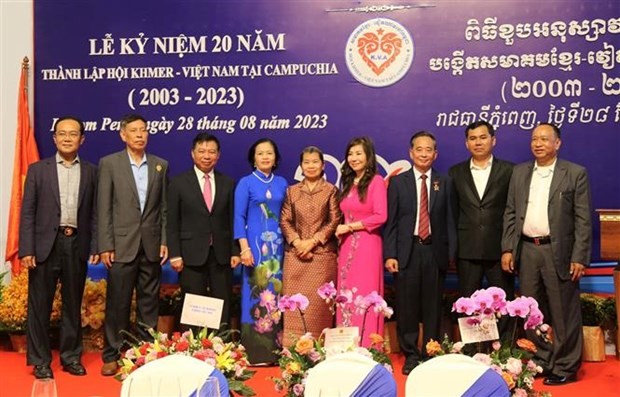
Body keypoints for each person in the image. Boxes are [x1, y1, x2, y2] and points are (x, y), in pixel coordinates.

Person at [501, 122, 592, 385]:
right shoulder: (519, 173)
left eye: (544, 139)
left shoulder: (574, 173)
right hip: (527, 250)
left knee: (564, 313)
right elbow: (510, 212)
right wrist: (508, 248)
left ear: (557, 143)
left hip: (559, 252)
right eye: (534, 139)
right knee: (531, 311)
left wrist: (579, 256)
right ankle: (541, 360)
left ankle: (565, 366)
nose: (538, 143)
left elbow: (583, 219)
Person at [19, 116, 98, 379]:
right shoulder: (38, 170)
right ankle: (40, 361)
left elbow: (95, 214)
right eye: (62, 133)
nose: (67, 138)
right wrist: (27, 249)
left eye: (73, 134)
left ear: (82, 139)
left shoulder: (90, 171)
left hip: (76, 242)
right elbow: (27, 212)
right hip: (44, 245)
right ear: (54, 138)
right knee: (40, 305)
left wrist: (95, 245)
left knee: (72, 305)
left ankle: (70, 357)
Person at [97, 114, 169, 376]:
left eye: (144, 130)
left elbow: (163, 209)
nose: (140, 135)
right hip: (121, 246)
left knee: (149, 303)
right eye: (134, 130)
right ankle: (112, 354)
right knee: (118, 303)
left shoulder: (160, 165)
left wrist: (163, 240)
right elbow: (103, 208)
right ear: (123, 134)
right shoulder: (110, 164)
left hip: (150, 245)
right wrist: (106, 244)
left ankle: (145, 353)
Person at [383, 131, 456, 375]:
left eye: (429, 150)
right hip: (408, 251)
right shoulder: (398, 182)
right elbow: (391, 222)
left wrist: (451, 253)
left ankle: (431, 351)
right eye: (419, 149)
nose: (424, 153)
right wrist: (390, 254)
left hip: (434, 251)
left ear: (435, 154)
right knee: (407, 306)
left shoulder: (444, 182)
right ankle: (411, 354)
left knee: (433, 307)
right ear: (411, 152)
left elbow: (450, 220)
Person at [167, 133, 239, 332]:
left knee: (222, 300)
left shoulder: (228, 183)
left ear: (218, 155)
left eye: (211, 151)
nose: (206, 156)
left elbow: (233, 219)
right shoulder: (179, 183)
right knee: (192, 302)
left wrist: (235, 251)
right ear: (193, 154)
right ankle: (192, 347)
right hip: (190, 253)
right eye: (202, 151)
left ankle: (221, 346)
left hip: (221, 252)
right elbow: (172, 221)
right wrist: (175, 254)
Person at [449, 120, 514, 338]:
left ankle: (505, 350)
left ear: (493, 140)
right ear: (467, 143)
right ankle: (473, 349)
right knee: (467, 303)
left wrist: (510, 248)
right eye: (473, 138)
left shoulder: (509, 171)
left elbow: (512, 212)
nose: (478, 142)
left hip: (499, 250)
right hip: (467, 250)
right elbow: (452, 213)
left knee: (503, 303)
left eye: (483, 137)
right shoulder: (455, 172)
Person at [280, 146, 341, 345]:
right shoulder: (292, 191)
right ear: (301, 166)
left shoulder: (331, 190)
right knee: (294, 308)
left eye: (315, 162)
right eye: (307, 162)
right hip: (295, 257)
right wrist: (298, 242)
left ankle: (319, 351)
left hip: (321, 257)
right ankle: (293, 352)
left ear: (323, 165)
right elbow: (285, 220)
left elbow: (334, 220)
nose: (311, 166)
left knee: (319, 307)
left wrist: (313, 242)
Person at [234, 138, 288, 364]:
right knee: (255, 297)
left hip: (277, 250)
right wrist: (244, 248)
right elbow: (239, 217)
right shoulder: (245, 183)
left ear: (275, 158)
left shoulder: (283, 183)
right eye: (260, 153)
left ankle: (275, 351)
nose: (265, 157)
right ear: (253, 158)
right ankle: (254, 352)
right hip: (254, 250)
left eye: (269, 153)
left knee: (275, 297)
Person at [335, 136, 387, 347]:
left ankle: (367, 346)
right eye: (350, 154)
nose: (354, 158)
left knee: (365, 294)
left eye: (358, 153)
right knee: (346, 294)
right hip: (346, 246)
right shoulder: (347, 183)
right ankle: (345, 344)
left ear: (368, 156)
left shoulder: (376, 181)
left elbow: (380, 216)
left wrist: (350, 227)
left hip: (368, 245)